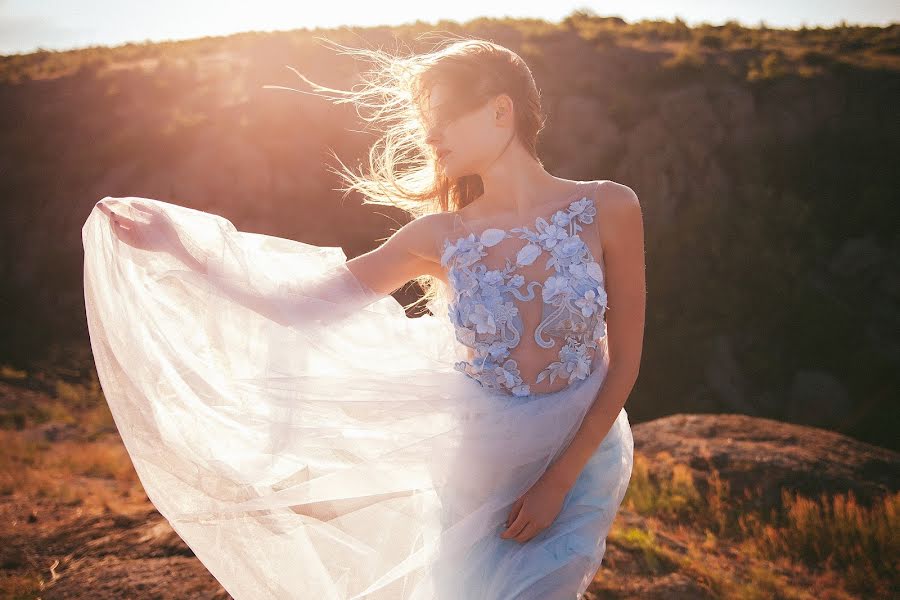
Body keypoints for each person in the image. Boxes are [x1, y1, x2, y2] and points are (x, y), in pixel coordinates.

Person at [84, 36, 645, 600]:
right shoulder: (438, 236)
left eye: (445, 117)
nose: (430, 135)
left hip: (581, 456)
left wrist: (560, 480)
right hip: (482, 465)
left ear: (502, 110)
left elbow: (623, 361)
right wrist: (182, 248)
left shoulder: (607, 207)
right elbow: (300, 303)